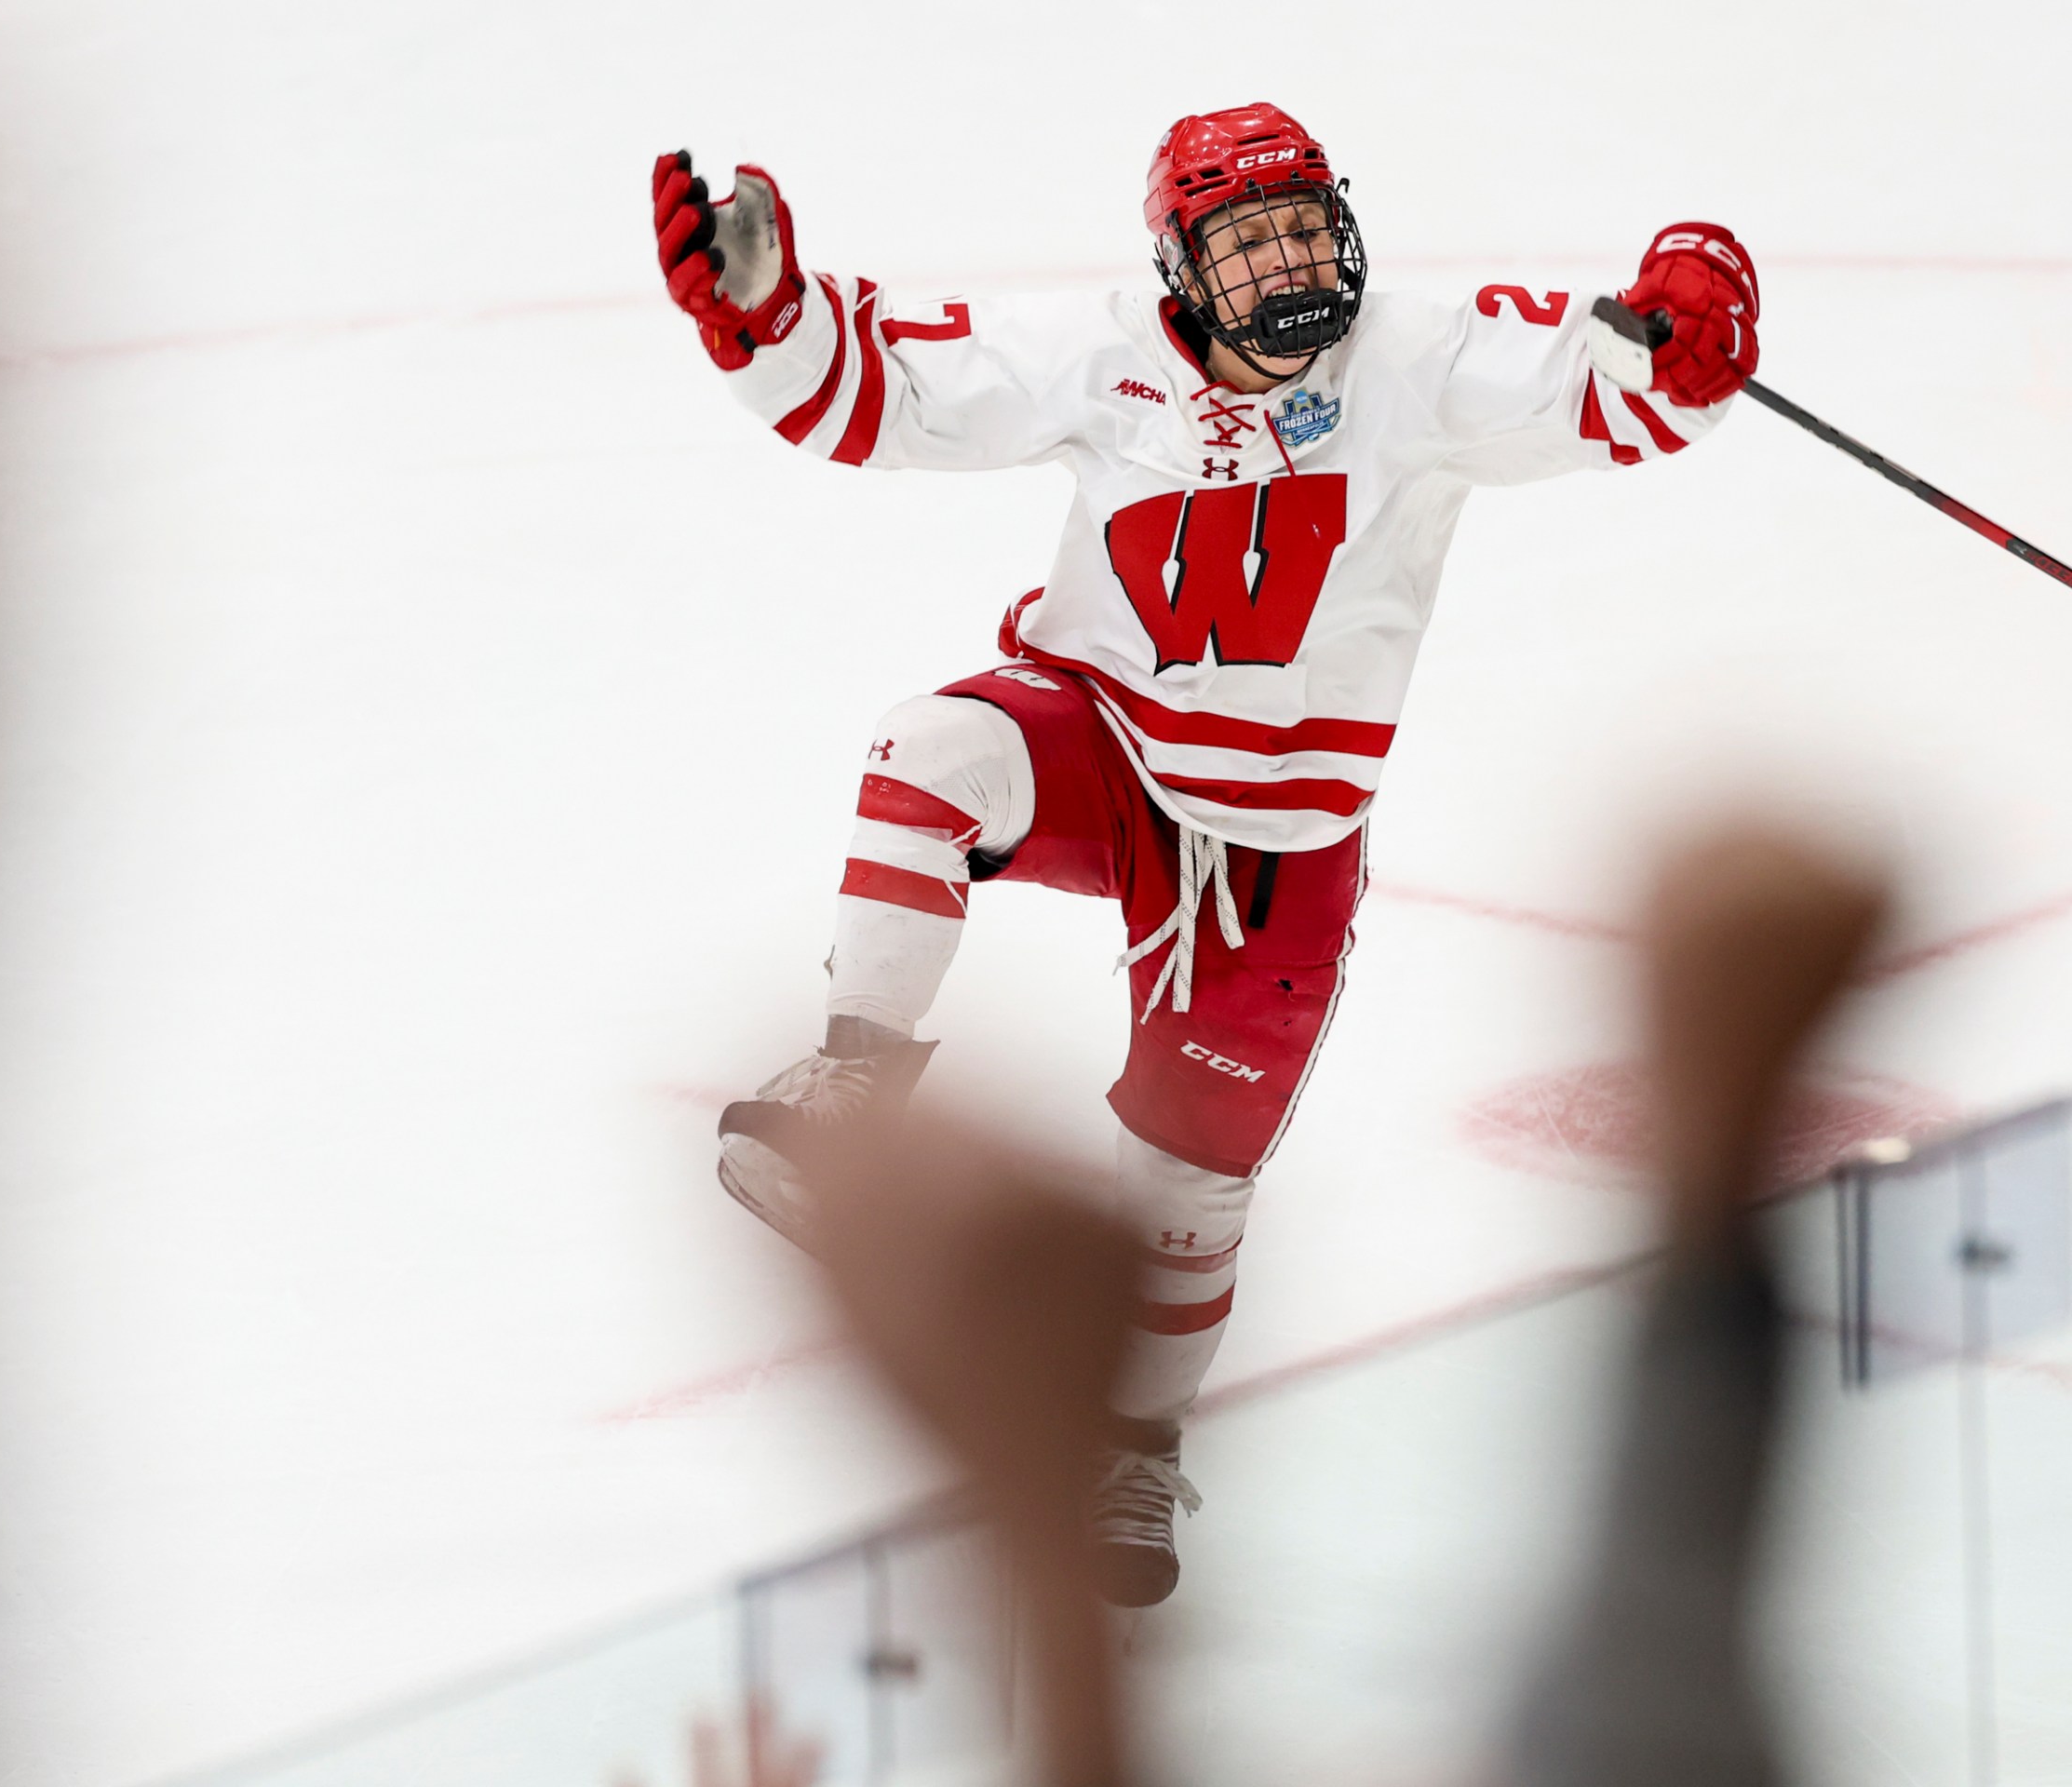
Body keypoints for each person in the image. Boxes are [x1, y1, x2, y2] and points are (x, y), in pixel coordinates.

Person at [650, 103, 1763, 1606]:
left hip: (1281, 845)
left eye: (1309, 225)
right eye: (1250, 243)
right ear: (1181, 272)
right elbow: (875, 394)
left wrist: (1695, 301)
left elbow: (1618, 383)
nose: (1292, 265)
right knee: (931, 752)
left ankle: (1131, 1449)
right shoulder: (1097, 353)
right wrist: (766, 316)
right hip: (1104, 743)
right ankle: (854, 1075)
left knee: (1188, 1188)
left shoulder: (1421, 361)